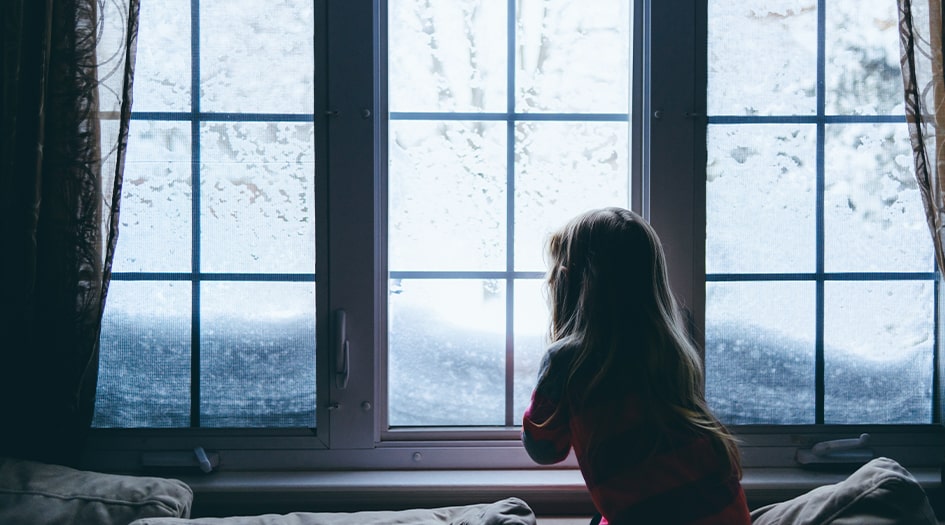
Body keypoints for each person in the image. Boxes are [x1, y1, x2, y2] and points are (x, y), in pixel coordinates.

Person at [521, 207, 750, 525]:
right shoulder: (669, 352)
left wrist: (549, 382)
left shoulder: (568, 361)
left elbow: (544, 449)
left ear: (567, 283)